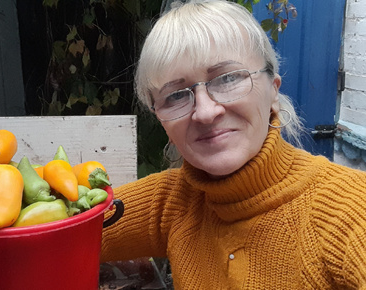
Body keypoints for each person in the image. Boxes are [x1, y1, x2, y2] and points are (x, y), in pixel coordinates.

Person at [100, 0, 366, 289]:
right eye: (175, 96)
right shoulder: (172, 203)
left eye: (227, 78)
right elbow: (58, 227)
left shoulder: (347, 209)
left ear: (273, 90)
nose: (205, 111)